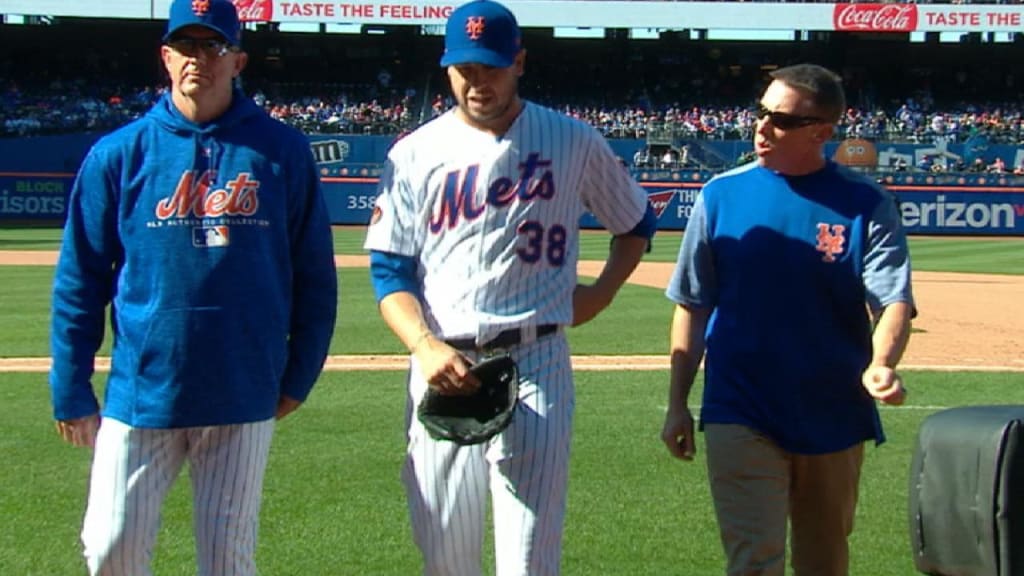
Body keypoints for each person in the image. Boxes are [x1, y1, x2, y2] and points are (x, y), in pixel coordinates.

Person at [363, 1, 656, 573]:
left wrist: (601, 293)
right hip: (444, 364)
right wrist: (424, 347)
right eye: (465, 69)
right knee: (446, 554)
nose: (477, 82)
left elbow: (636, 224)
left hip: (537, 358)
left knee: (529, 556)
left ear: (519, 61)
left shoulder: (571, 139)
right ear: (447, 67)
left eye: (492, 68)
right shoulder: (415, 151)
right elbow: (389, 271)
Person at [48, 1, 338, 574]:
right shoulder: (119, 154)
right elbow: (79, 279)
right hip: (142, 392)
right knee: (110, 549)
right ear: (165, 56)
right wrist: (71, 388)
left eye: (214, 46)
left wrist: (298, 375)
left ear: (238, 61)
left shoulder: (281, 151)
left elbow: (314, 276)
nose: (198, 59)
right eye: (186, 46)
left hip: (243, 390)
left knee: (227, 561)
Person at [661, 63, 914, 576]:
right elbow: (692, 303)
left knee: (825, 559)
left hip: (834, 408)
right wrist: (676, 404)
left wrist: (882, 363)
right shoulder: (719, 196)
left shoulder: (866, 203)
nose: (761, 127)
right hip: (741, 404)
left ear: (822, 131)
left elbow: (893, 300)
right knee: (754, 559)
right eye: (760, 112)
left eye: (780, 119)